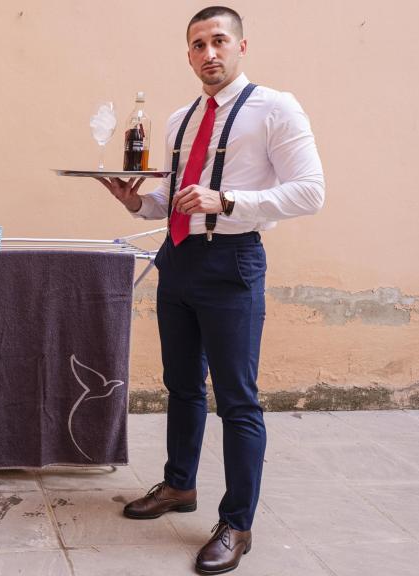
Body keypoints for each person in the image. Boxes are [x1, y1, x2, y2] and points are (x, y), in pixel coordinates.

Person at [96, 6, 324, 574]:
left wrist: (230, 202)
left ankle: (238, 522)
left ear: (242, 47)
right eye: (197, 45)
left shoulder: (276, 107)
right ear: (189, 54)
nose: (208, 53)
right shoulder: (180, 119)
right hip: (177, 259)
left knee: (238, 399)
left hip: (233, 262)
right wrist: (136, 202)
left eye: (219, 41)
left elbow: (311, 192)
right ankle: (179, 486)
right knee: (181, 385)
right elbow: (173, 200)